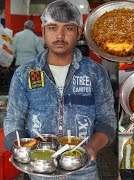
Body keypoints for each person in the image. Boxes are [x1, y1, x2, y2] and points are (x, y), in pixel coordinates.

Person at [4, 0, 117, 179]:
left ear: (79, 31)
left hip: (83, 170)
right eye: (52, 28)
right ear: (42, 32)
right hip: (38, 173)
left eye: (69, 28)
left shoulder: (96, 73)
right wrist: (19, 149)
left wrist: (91, 148)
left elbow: (108, 121)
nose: (60, 36)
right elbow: (13, 119)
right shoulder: (25, 73)